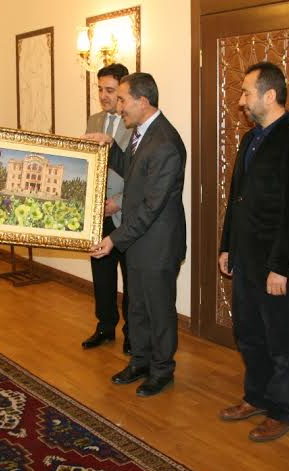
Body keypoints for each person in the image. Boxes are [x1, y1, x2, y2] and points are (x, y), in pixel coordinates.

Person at [218, 62, 289, 442]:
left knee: (280, 342)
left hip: (276, 264)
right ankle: (256, 396)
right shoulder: (250, 139)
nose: (241, 101)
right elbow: (237, 199)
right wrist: (227, 246)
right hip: (245, 259)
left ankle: (284, 410)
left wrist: (281, 267)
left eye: (246, 92)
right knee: (249, 334)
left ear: (270, 95)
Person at [86, 72, 186, 397]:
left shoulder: (166, 143)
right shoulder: (142, 133)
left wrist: (114, 239)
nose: (118, 106)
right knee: (138, 307)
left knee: (159, 311)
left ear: (142, 101)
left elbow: (151, 206)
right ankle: (140, 362)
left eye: (123, 99)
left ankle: (162, 370)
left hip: (158, 244)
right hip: (140, 241)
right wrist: (109, 145)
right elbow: (132, 171)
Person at [82, 63, 133, 354]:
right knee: (102, 275)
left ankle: (132, 333)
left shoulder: (135, 123)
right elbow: (88, 164)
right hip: (98, 213)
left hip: (125, 213)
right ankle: (104, 327)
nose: (103, 95)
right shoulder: (94, 120)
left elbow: (140, 173)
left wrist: (118, 203)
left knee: (131, 278)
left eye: (110, 90)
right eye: (100, 89)